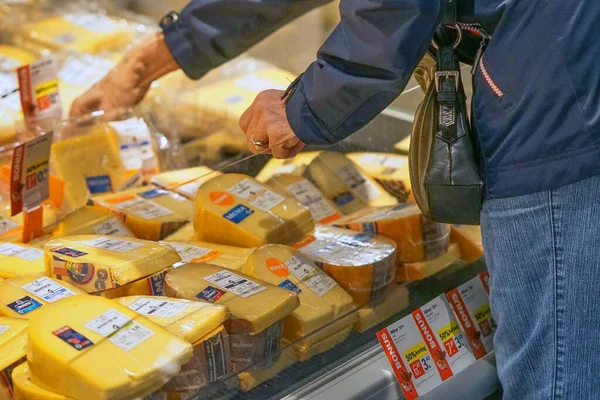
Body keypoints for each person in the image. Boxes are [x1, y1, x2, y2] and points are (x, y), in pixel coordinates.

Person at [72, 1, 600, 398]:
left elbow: (393, 8)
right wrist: (151, 59)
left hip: (558, 85)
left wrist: (301, 111)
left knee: (557, 372)